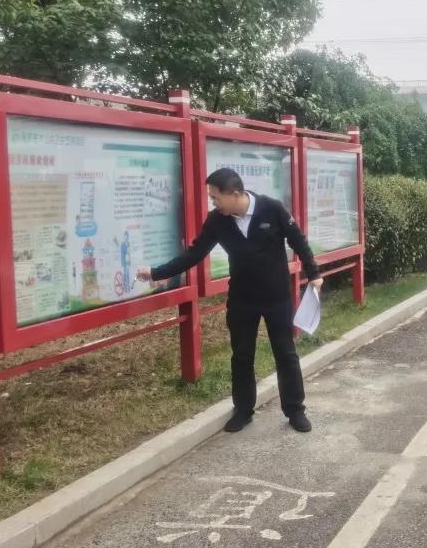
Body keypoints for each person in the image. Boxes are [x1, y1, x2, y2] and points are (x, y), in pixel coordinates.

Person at [136, 168, 323, 434]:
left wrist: (314, 274)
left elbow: (299, 241)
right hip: (242, 299)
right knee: (242, 356)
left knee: (285, 353)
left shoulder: (272, 209)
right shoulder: (217, 221)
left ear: (234, 194)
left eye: (215, 197)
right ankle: (243, 410)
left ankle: (295, 410)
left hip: (277, 297)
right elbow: (194, 254)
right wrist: (157, 272)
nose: (213, 202)